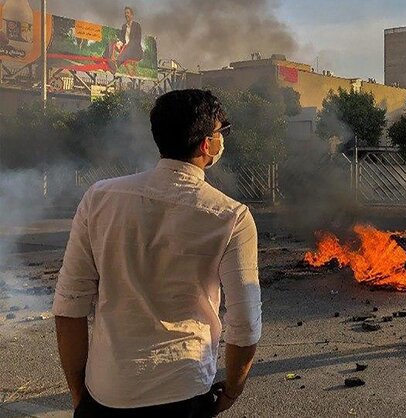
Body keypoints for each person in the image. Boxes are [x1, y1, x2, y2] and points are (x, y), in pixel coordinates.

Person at [53, 89, 262, 417]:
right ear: (207, 145)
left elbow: (69, 306)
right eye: (223, 132)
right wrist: (232, 391)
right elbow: (246, 323)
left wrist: (80, 395)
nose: (224, 140)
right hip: (185, 392)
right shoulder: (231, 217)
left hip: (106, 391)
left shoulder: (99, 198)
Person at [106, 6, 143, 73]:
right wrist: (119, 43)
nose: (126, 15)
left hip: (135, 51)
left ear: (132, 15)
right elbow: (122, 39)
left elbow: (137, 41)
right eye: (125, 13)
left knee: (132, 43)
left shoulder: (137, 25)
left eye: (128, 13)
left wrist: (127, 44)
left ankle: (116, 64)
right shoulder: (124, 26)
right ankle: (106, 60)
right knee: (111, 42)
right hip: (125, 48)